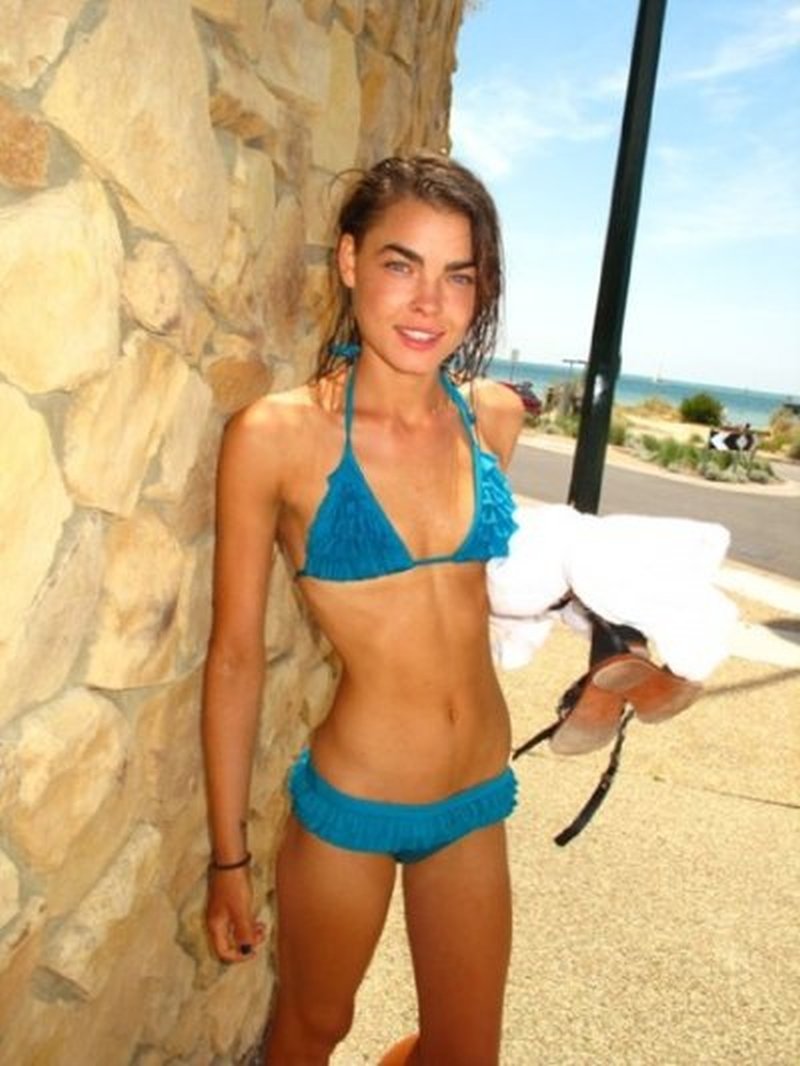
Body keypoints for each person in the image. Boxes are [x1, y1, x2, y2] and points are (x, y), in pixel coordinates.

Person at [202, 154, 525, 1065]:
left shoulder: (492, 418)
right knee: (315, 1028)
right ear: (349, 261)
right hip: (355, 804)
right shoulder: (277, 437)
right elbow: (234, 658)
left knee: (467, 1053)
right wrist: (228, 860)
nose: (429, 303)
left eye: (458, 275)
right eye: (401, 264)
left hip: (476, 796)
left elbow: (481, 604)